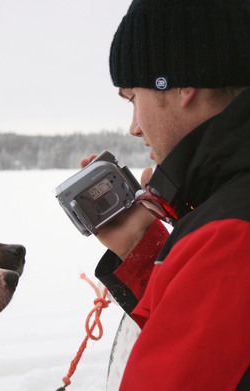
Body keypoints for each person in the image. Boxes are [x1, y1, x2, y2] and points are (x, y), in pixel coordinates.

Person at [81, 0, 250, 390]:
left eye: (132, 98)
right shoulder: (226, 211)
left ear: (180, 85)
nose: (134, 128)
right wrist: (140, 245)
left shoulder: (229, 237)